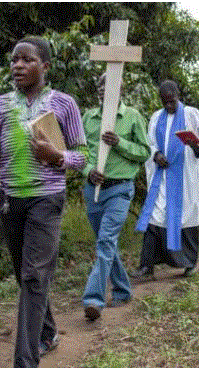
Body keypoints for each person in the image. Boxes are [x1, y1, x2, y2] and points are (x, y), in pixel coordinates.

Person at [0, 36, 87, 368]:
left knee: (34, 276)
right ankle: (47, 332)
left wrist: (56, 156)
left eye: (26, 60)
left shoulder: (64, 104)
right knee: (24, 276)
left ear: (45, 66)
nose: (17, 66)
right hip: (10, 200)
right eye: (14, 60)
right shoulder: (0, 106)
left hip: (47, 199)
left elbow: (82, 157)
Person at [81, 73, 150, 321]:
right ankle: (122, 290)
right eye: (100, 85)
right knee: (105, 242)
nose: (103, 90)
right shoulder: (88, 118)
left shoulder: (132, 116)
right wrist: (88, 171)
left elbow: (144, 152)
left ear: (120, 90)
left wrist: (120, 143)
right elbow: (81, 153)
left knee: (105, 240)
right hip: (94, 191)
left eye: (110, 86)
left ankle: (93, 300)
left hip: (120, 189)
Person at [132, 80, 199, 280]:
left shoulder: (192, 115)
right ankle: (147, 266)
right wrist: (156, 154)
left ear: (178, 96)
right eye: (165, 102)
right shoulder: (155, 118)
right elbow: (150, 143)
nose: (169, 106)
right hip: (162, 176)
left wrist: (197, 147)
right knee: (155, 215)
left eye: (172, 101)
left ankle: (189, 264)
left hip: (186, 177)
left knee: (186, 218)